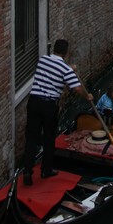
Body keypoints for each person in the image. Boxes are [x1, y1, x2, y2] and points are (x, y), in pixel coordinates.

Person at [23, 39, 93, 186]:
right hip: (49, 106)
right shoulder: (66, 70)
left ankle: (27, 172)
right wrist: (87, 96)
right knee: (49, 138)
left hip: (34, 102)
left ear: (54, 49)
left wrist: (69, 68)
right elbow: (77, 88)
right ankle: (46, 170)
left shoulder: (42, 60)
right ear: (66, 52)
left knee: (31, 138)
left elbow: (55, 67)